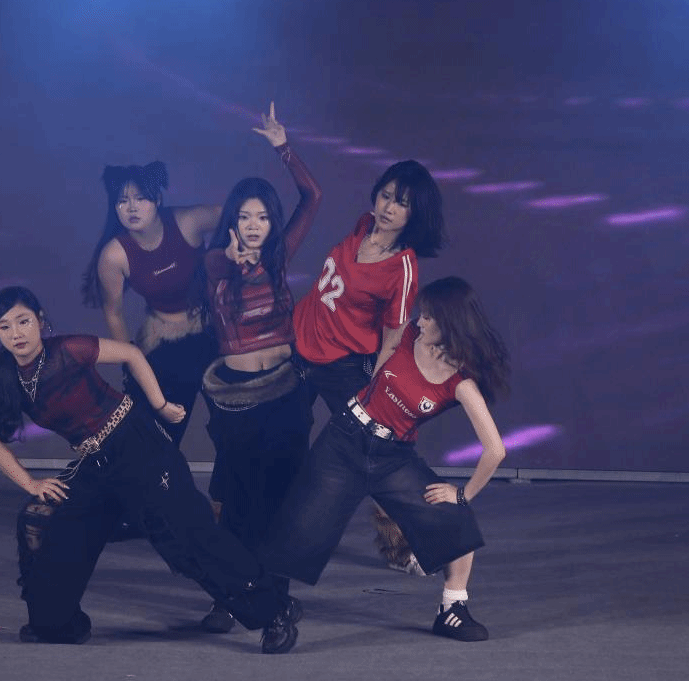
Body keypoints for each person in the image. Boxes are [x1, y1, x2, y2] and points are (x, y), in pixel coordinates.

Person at [0, 286, 301, 653]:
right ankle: (56, 621)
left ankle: (274, 610)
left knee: (186, 536)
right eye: (5, 327)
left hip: (137, 445)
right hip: (93, 464)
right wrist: (30, 483)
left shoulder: (69, 349)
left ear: (39, 320)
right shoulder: (6, 379)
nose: (16, 334)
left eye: (23, 321)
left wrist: (160, 405)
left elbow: (131, 353)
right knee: (39, 519)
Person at [260, 276, 511, 642]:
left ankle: (453, 609)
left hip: (392, 457)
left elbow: (496, 450)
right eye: (422, 314)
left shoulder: (460, 383)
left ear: (451, 323)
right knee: (299, 525)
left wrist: (463, 494)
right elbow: (376, 339)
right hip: (343, 440)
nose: (421, 321)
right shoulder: (409, 335)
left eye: (429, 317)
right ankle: (276, 612)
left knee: (453, 518)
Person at [192, 103, 322, 633]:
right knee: (239, 500)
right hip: (237, 398)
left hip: (286, 393)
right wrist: (231, 262)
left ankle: (275, 599)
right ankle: (231, 596)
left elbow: (313, 197)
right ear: (232, 220)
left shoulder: (279, 256)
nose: (253, 225)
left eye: (263, 217)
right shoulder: (214, 262)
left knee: (282, 499)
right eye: (244, 216)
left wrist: (283, 148)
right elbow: (219, 272)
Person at [291, 158, 445, 573]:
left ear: (416, 213)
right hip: (299, 349)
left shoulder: (403, 267)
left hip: (343, 365)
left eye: (402, 203)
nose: (388, 207)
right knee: (282, 440)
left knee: (374, 453)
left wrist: (374, 393)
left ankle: (405, 544)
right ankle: (273, 531)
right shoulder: (363, 225)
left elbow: (394, 338)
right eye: (386, 195)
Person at [81, 161, 220, 446]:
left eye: (140, 198)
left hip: (214, 332)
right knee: (155, 438)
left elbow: (238, 215)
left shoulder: (188, 221)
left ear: (157, 199)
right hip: (166, 342)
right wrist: (131, 364)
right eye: (122, 201)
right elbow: (114, 313)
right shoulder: (114, 255)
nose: (131, 208)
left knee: (235, 422)